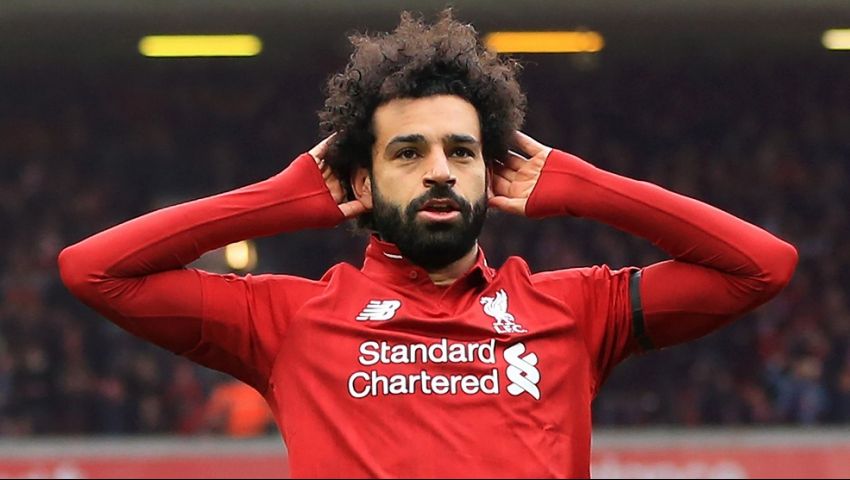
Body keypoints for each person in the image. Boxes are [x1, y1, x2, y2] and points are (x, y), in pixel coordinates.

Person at [57, 9, 798, 478]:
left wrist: (588, 186)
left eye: (462, 151)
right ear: (363, 181)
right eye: (408, 152)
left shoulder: (578, 309)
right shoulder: (288, 321)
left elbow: (761, 268)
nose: (440, 170)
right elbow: (94, 272)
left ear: (492, 172)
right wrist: (279, 201)